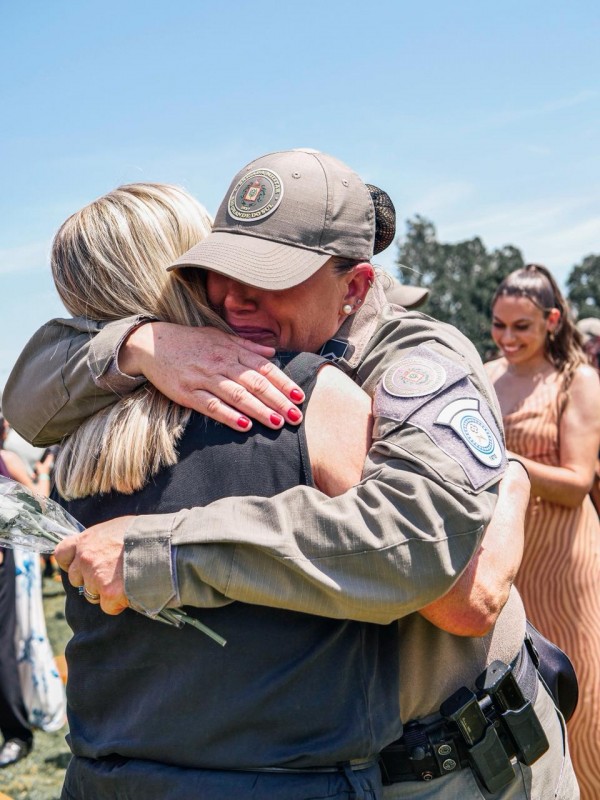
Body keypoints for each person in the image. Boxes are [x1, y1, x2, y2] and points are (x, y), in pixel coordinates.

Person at [5, 151, 577, 798]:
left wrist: (163, 549)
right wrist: (139, 343)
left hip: (469, 764)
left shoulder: (411, 361)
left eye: (272, 278)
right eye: (215, 271)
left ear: (356, 288)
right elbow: (25, 400)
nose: (233, 296)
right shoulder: (208, 353)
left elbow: (453, 583)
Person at [485, 264, 600, 800]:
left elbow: (579, 482)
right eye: (499, 325)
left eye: (521, 327)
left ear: (552, 321)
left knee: (578, 686)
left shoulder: (578, 380)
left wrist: (505, 462)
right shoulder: (484, 374)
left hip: (563, 557)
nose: (507, 339)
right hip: (506, 552)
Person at [0, 415, 56, 767]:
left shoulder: (7, 459)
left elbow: (37, 504)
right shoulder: (8, 458)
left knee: (5, 647)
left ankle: (17, 734)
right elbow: (40, 501)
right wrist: (46, 471)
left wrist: (45, 472)